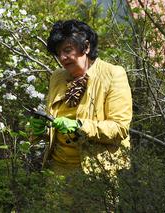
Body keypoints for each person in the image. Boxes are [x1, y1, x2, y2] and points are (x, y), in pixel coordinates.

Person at [30, 19, 132, 178]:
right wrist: (41, 129)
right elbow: (55, 127)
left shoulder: (113, 74)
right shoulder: (57, 77)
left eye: (67, 50)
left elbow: (119, 128)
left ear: (86, 46)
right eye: (59, 53)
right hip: (57, 171)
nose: (62, 58)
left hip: (96, 173)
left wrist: (79, 126)